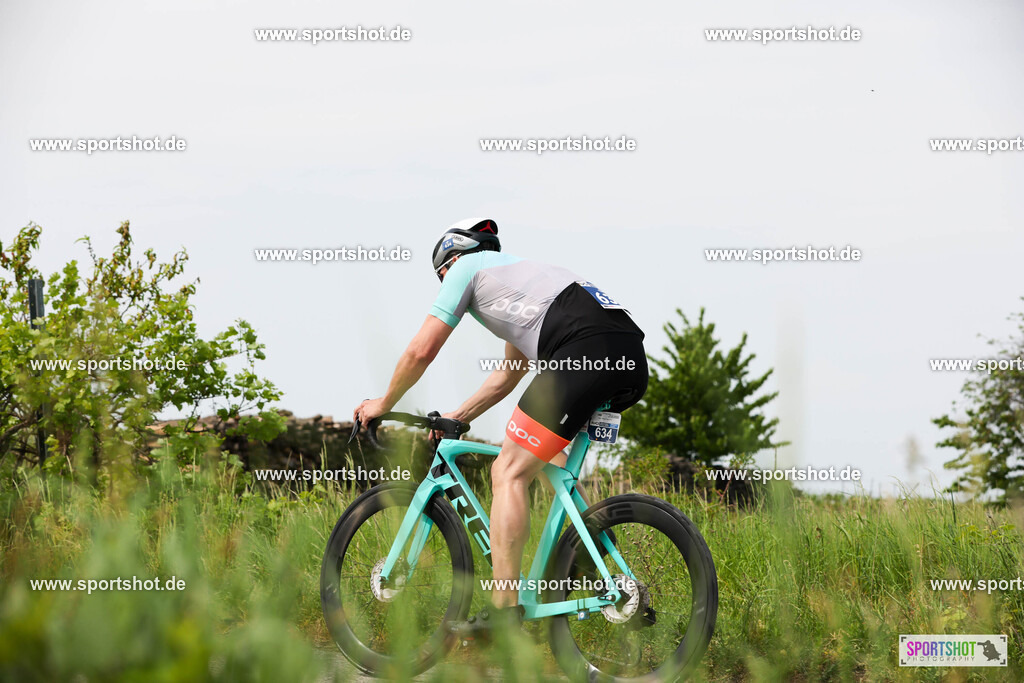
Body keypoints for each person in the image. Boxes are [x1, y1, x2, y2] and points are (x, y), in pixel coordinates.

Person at [352, 218, 648, 636]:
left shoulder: (465, 270)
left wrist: (383, 403)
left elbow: (422, 351)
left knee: (507, 472)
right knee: (548, 459)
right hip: (628, 356)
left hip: (581, 352)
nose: (445, 284)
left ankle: (504, 610)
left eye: (441, 277)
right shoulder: (523, 281)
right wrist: (460, 417)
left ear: (450, 261)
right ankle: (595, 555)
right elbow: (508, 375)